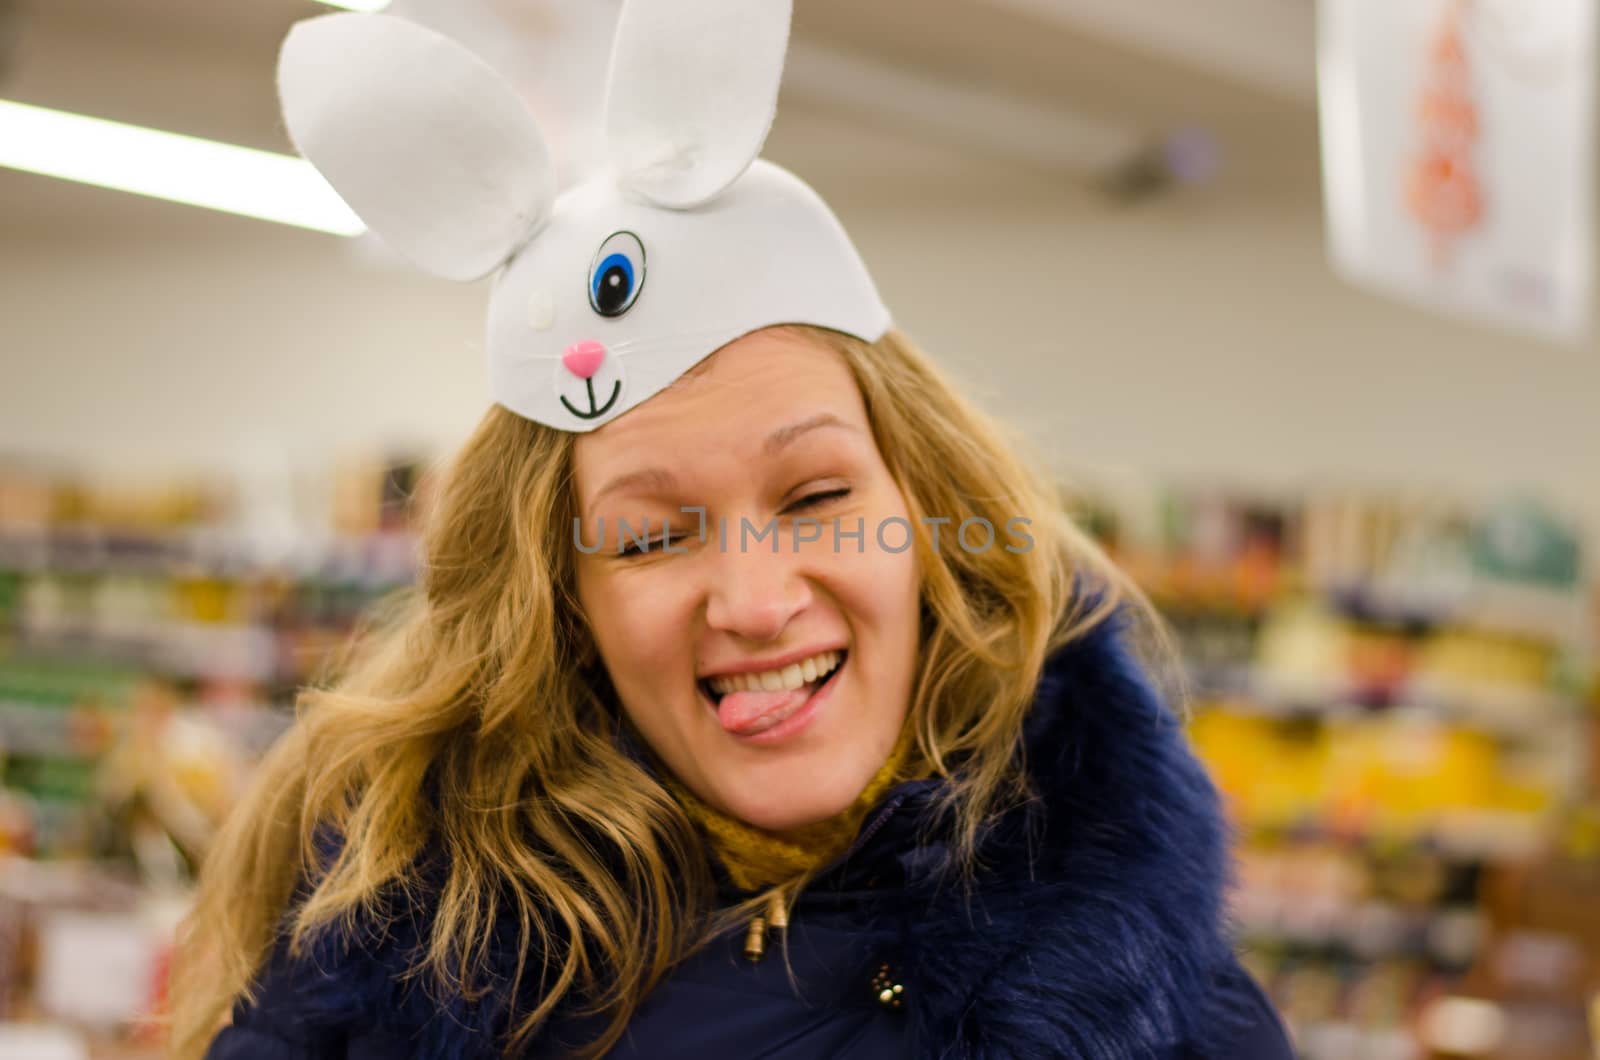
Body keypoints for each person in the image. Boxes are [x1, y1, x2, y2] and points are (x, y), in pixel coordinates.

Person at [170, 3, 1297, 1058]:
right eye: (651, 538)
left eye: (816, 500)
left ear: (924, 515)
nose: (757, 604)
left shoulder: (1161, 1001)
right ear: (560, 601)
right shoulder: (381, 962)